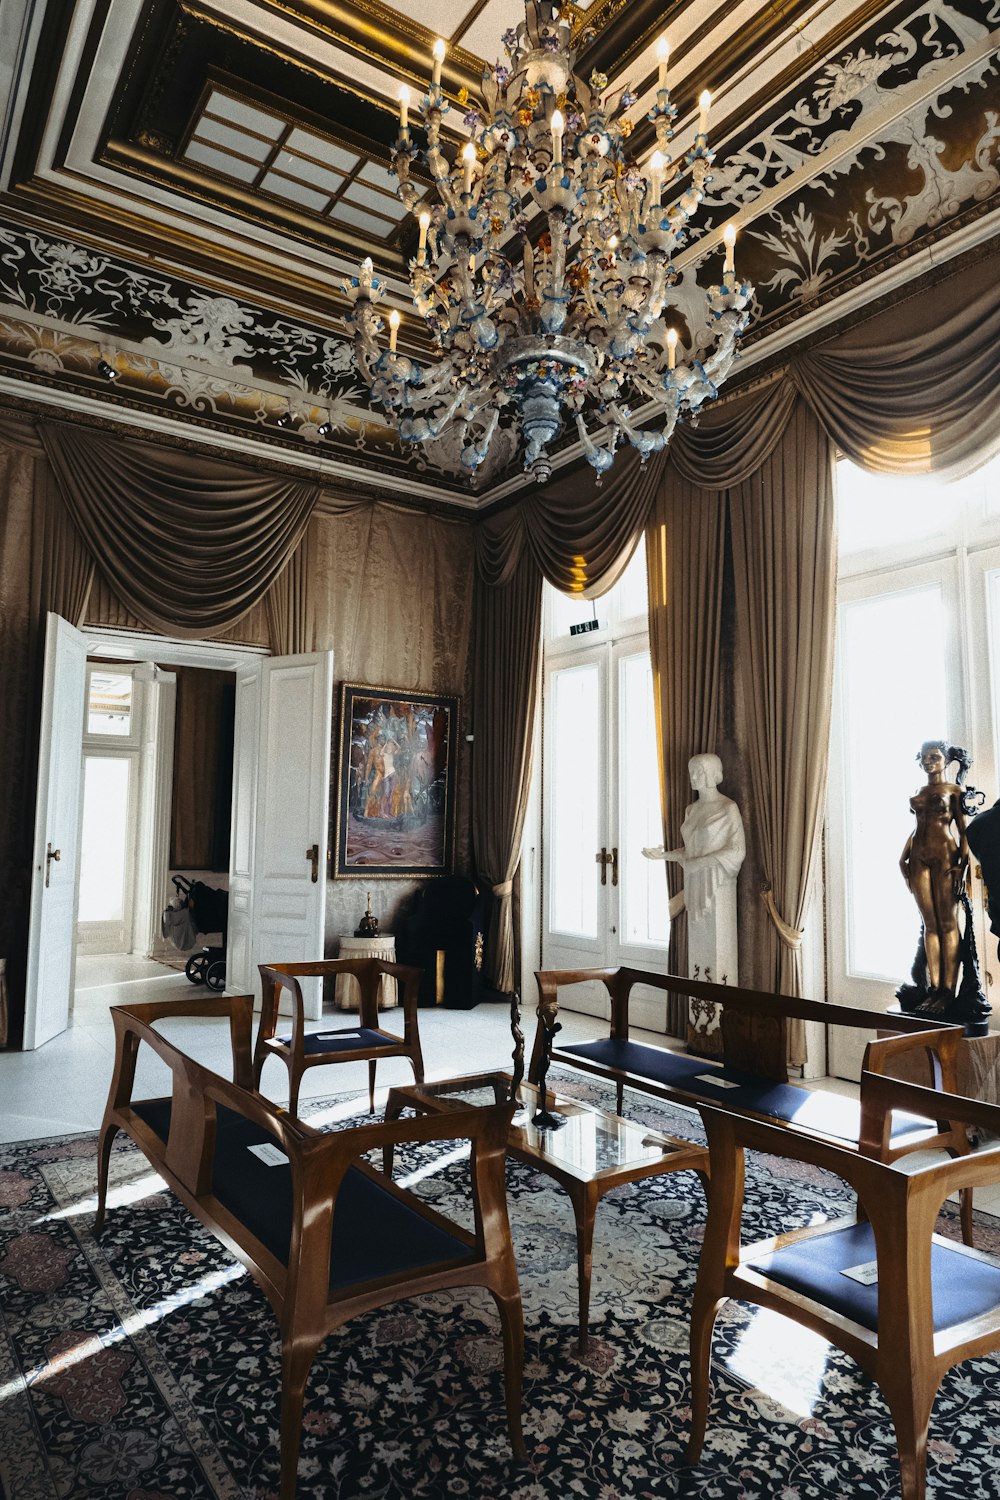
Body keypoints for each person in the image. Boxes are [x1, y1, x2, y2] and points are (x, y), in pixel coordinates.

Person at [898, 740, 970, 998]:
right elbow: (918, 827)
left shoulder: (955, 790)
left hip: (945, 857)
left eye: (935, 756)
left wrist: (962, 866)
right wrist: (902, 858)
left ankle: (948, 992)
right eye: (925, 757)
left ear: (946, 760)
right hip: (918, 857)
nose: (929, 761)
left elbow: (964, 833)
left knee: (948, 923)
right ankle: (935, 989)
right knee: (929, 924)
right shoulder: (920, 790)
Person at [643, 753, 745, 920]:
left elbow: (737, 850)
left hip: (717, 880)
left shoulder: (728, 807)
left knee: (715, 928)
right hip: (694, 880)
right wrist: (663, 855)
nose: (693, 776)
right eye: (692, 771)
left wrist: (699, 863)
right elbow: (692, 850)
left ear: (712, 774)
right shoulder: (691, 810)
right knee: (699, 929)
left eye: (699, 772)